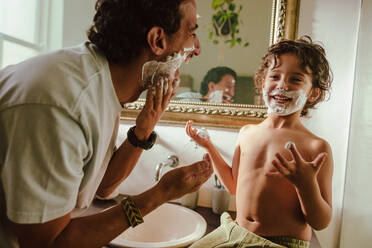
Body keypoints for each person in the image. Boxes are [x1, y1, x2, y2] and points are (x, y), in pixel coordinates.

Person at [0, 0, 213, 247]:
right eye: (192, 32)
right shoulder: (65, 101)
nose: (196, 49)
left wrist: (144, 129)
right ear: (157, 40)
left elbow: (102, 187)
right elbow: (48, 243)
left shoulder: (102, 84)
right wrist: (161, 193)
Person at [186, 36, 333, 248]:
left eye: (296, 79)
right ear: (262, 82)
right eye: (275, 76)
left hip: (280, 243)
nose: (282, 85)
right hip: (235, 232)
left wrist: (306, 185)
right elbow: (233, 185)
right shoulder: (247, 133)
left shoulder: (315, 147)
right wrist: (208, 146)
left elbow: (321, 222)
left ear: (313, 93)